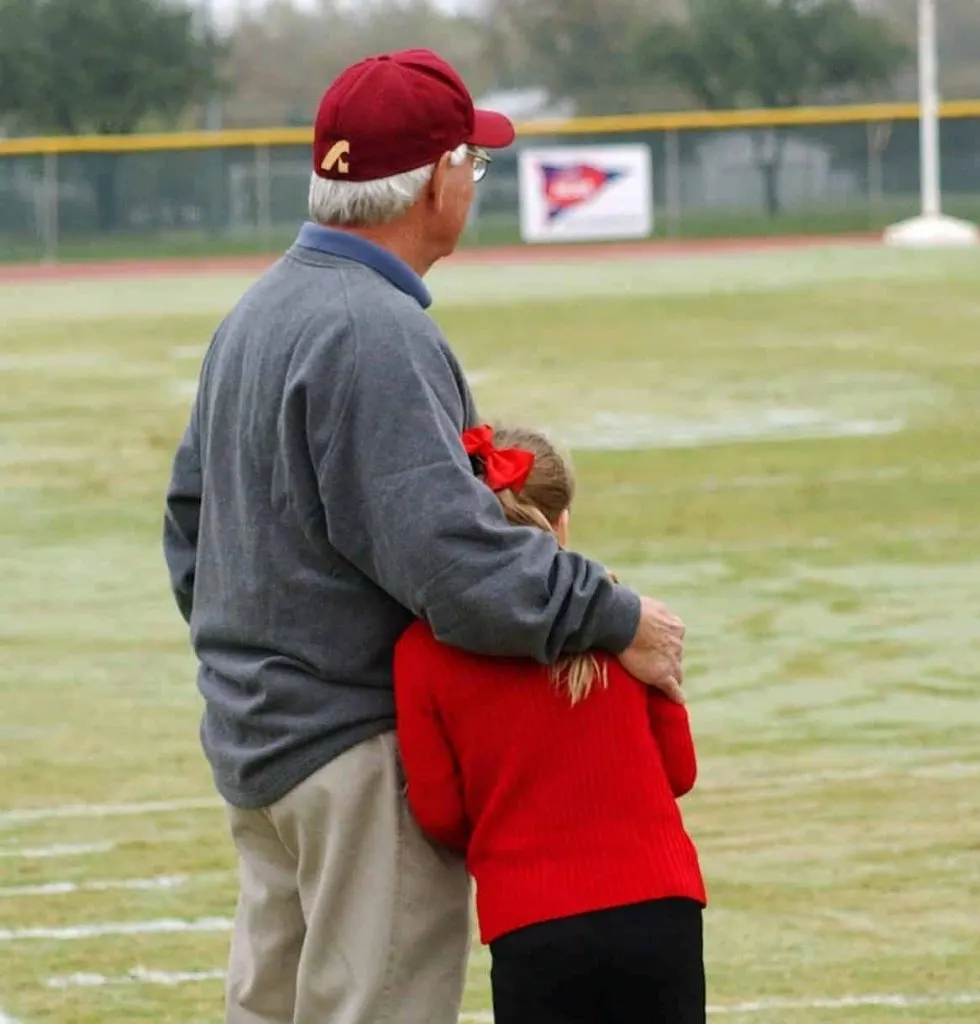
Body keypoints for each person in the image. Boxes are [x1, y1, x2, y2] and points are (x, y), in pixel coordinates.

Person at [163, 48, 687, 1024]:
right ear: (438, 176)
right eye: (473, 164)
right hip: (353, 753)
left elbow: (190, 529)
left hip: (260, 744)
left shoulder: (257, 311)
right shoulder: (374, 327)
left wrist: (259, 666)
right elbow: (452, 559)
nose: (474, 184)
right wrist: (612, 615)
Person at [395, 424, 707, 1024]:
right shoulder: (625, 624)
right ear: (561, 524)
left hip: (532, 920)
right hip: (659, 907)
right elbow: (679, 771)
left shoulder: (421, 651)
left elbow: (438, 814)